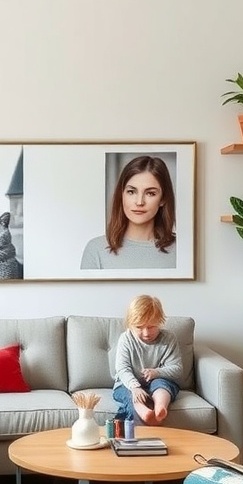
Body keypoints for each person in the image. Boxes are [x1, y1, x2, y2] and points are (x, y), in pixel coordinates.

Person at [80, 155, 176, 269]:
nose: (139, 202)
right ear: (122, 195)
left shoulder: (182, 250)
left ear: (163, 199)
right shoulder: (96, 250)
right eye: (131, 192)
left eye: (150, 193)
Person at [112, 294, 182, 425]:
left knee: (163, 385)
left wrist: (157, 372)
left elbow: (177, 369)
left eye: (151, 327)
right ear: (130, 324)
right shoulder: (126, 339)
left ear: (160, 322)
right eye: (139, 327)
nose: (146, 333)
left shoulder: (169, 339)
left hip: (157, 381)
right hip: (128, 384)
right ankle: (144, 411)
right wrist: (135, 387)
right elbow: (122, 368)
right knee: (130, 394)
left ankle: (160, 407)